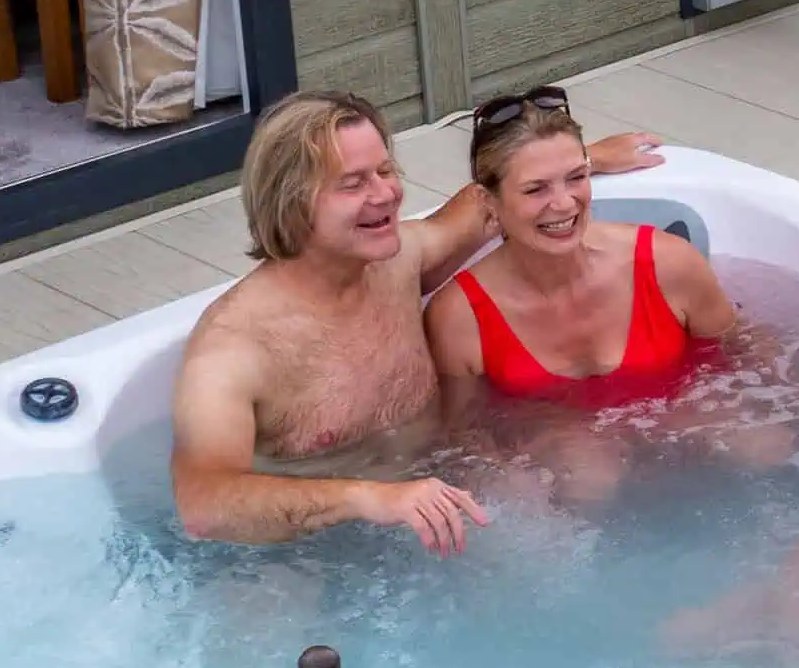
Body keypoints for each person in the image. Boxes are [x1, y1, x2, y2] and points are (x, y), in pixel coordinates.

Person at [169, 89, 663, 549]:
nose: (385, 194)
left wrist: (581, 160)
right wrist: (365, 498)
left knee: (571, 505)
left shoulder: (397, 260)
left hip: (438, 490)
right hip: (315, 550)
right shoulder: (233, 352)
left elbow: (491, 201)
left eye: (386, 171)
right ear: (291, 202)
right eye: (354, 183)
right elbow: (205, 506)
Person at [424, 87, 737, 409]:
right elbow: (468, 434)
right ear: (488, 201)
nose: (563, 204)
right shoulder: (460, 318)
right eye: (535, 189)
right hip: (556, 449)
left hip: (685, 422)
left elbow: (743, 365)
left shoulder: (668, 261)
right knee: (581, 459)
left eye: (576, 177)